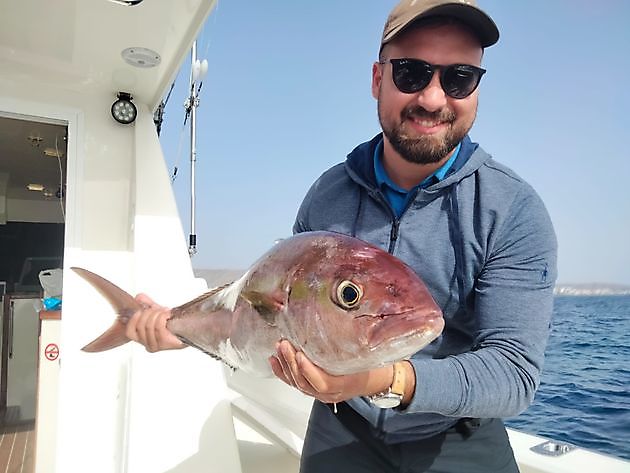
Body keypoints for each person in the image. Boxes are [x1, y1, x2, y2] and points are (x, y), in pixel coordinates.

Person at [128, 1, 558, 471]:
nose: (433, 99)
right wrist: (183, 332)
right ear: (378, 79)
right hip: (341, 420)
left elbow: (513, 372)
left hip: (454, 431)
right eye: (412, 73)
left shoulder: (511, 210)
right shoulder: (327, 195)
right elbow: (268, 318)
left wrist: (381, 379)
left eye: (458, 78)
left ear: (477, 89)